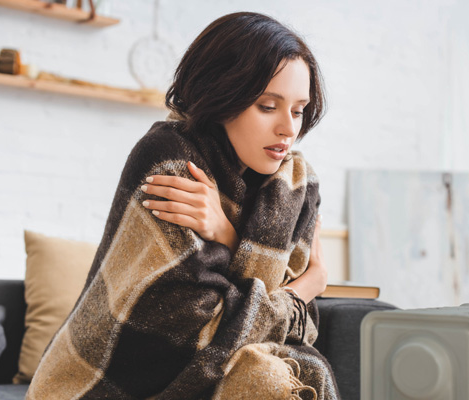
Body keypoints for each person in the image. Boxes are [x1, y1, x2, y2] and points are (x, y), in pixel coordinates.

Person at [27, 11, 339, 400]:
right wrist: (306, 288)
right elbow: (191, 331)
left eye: (297, 110)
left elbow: (301, 331)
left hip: (214, 373)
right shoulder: (170, 160)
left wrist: (228, 234)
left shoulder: (295, 187)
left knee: (273, 374)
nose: (288, 129)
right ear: (225, 96)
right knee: (265, 380)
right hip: (107, 381)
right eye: (267, 106)